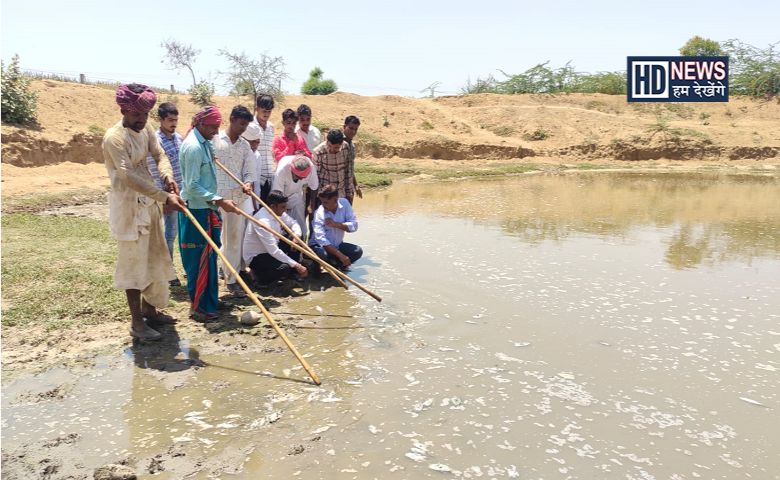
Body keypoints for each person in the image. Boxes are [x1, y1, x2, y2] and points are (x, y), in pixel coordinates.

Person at [103, 83, 186, 341]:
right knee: (133, 266)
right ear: (124, 110)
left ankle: (151, 310)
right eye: (136, 115)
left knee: (156, 258)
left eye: (145, 114)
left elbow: (159, 154)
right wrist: (164, 196)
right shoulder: (114, 138)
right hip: (128, 209)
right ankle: (137, 323)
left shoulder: (146, 128)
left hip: (149, 205)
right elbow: (128, 176)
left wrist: (167, 175)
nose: (141, 119)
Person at [178, 106, 242, 321]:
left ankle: (211, 300)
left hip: (207, 208)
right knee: (198, 259)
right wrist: (221, 201)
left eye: (217, 128)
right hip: (196, 209)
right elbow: (191, 186)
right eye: (213, 127)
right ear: (202, 124)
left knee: (211, 255)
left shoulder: (204, 143)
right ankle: (198, 307)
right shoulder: (194, 147)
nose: (216, 132)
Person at [213, 105, 255, 297]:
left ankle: (231, 278)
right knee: (222, 239)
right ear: (231, 119)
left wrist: (247, 182)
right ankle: (227, 274)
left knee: (233, 239)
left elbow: (249, 171)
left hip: (237, 197)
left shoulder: (245, 146)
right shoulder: (214, 140)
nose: (242, 129)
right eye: (240, 124)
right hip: (216, 197)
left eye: (245, 126)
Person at [145, 102, 184, 286]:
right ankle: (168, 273)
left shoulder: (179, 139)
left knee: (174, 234)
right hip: (165, 195)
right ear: (160, 119)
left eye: (176, 120)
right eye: (170, 120)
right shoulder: (155, 140)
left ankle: (169, 269)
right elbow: (155, 170)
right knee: (166, 235)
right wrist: (165, 198)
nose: (173, 123)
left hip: (179, 193)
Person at [243, 190, 309, 286]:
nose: (285, 210)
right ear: (273, 206)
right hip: (258, 256)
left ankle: (292, 273)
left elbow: (293, 223)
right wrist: (297, 265)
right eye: (283, 207)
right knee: (283, 268)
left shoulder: (277, 212)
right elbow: (273, 250)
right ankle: (260, 278)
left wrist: (296, 236)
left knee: (297, 238)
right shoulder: (263, 221)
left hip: (272, 249)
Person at [309, 184, 363, 271]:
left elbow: (354, 226)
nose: (323, 205)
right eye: (322, 202)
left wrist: (336, 224)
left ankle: (338, 266)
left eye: (326, 202)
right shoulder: (319, 213)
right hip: (319, 246)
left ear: (335, 200)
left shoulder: (344, 203)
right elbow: (321, 240)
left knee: (357, 251)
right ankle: (317, 266)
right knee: (322, 254)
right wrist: (340, 255)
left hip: (337, 245)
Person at [272, 152, 318, 239]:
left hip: (297, 195)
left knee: (300, 226)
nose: (301, 179)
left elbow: (314, 187)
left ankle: (301, 245)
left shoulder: (311, 168)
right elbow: (277, 195)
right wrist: (282, 212)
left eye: (303, 178)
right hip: (281, 196)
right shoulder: (282, 169)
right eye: (298, 177)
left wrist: (311, 206)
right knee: (281, 226)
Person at [310, 129, 351, 211]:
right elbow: (315, 178)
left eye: (336, 148)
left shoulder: (346, 147)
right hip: (325, 197)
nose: (332, 150)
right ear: (327, 141)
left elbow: (347, 172)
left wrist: (349, 193)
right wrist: (313, 203)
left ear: (341, 144)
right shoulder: (318, 152)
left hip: (341, 194)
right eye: (329, 146)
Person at [251, 94, 276, 202]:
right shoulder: (250, 126)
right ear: (257, 109)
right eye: (264, 111)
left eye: (269, 111)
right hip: (256, 177)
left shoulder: (271, 127)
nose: (266, 114)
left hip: (270, 177)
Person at [242, 123, 273, 203]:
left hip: (249, 203)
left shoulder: (256, 156)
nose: (255, 145)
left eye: (257, 142)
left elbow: (256, 183)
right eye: (252, 141)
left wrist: (256, 205)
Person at [342, 115, 363, 204]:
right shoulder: (338, 143)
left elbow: (350, 168)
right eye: (351, 128)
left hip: (349, 187)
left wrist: (355, 185)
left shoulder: (352, 146)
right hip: (339, 188)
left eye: (356, 129)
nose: (353, 131)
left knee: (347, 216)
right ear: (344, 127)